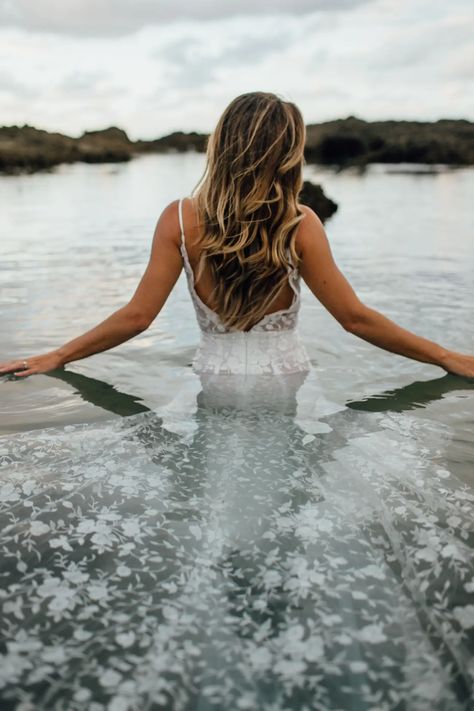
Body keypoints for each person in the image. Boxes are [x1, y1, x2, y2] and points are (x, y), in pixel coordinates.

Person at [1, 91, 473, 379]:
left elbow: (138, 317)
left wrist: (58, 355)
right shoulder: (301, 222)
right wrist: (447, 356)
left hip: (214, 376)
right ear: (289, 151)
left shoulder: (179, 219)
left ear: (220, 144)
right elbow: (355, 319)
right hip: (286, 376)